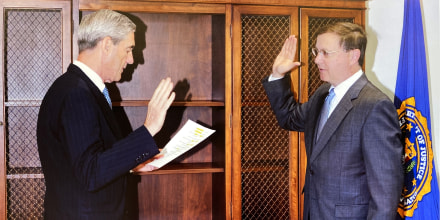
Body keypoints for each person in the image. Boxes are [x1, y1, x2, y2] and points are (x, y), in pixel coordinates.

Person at [37, 9, 175, 219]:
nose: (131, 60)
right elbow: (90, 173)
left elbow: (91, 160)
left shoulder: (78, 87)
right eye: (128, 49)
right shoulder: (76, 93)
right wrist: (149, 128)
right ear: (107, 44)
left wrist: (133, 163)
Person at [262, 22, 403, 219]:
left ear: (353, 56)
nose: (317, 59)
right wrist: (278, 75)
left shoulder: (374, 106)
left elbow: (386, 194)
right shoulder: (323, 93)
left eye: (325, 53)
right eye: (316, 51)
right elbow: (289, 118)